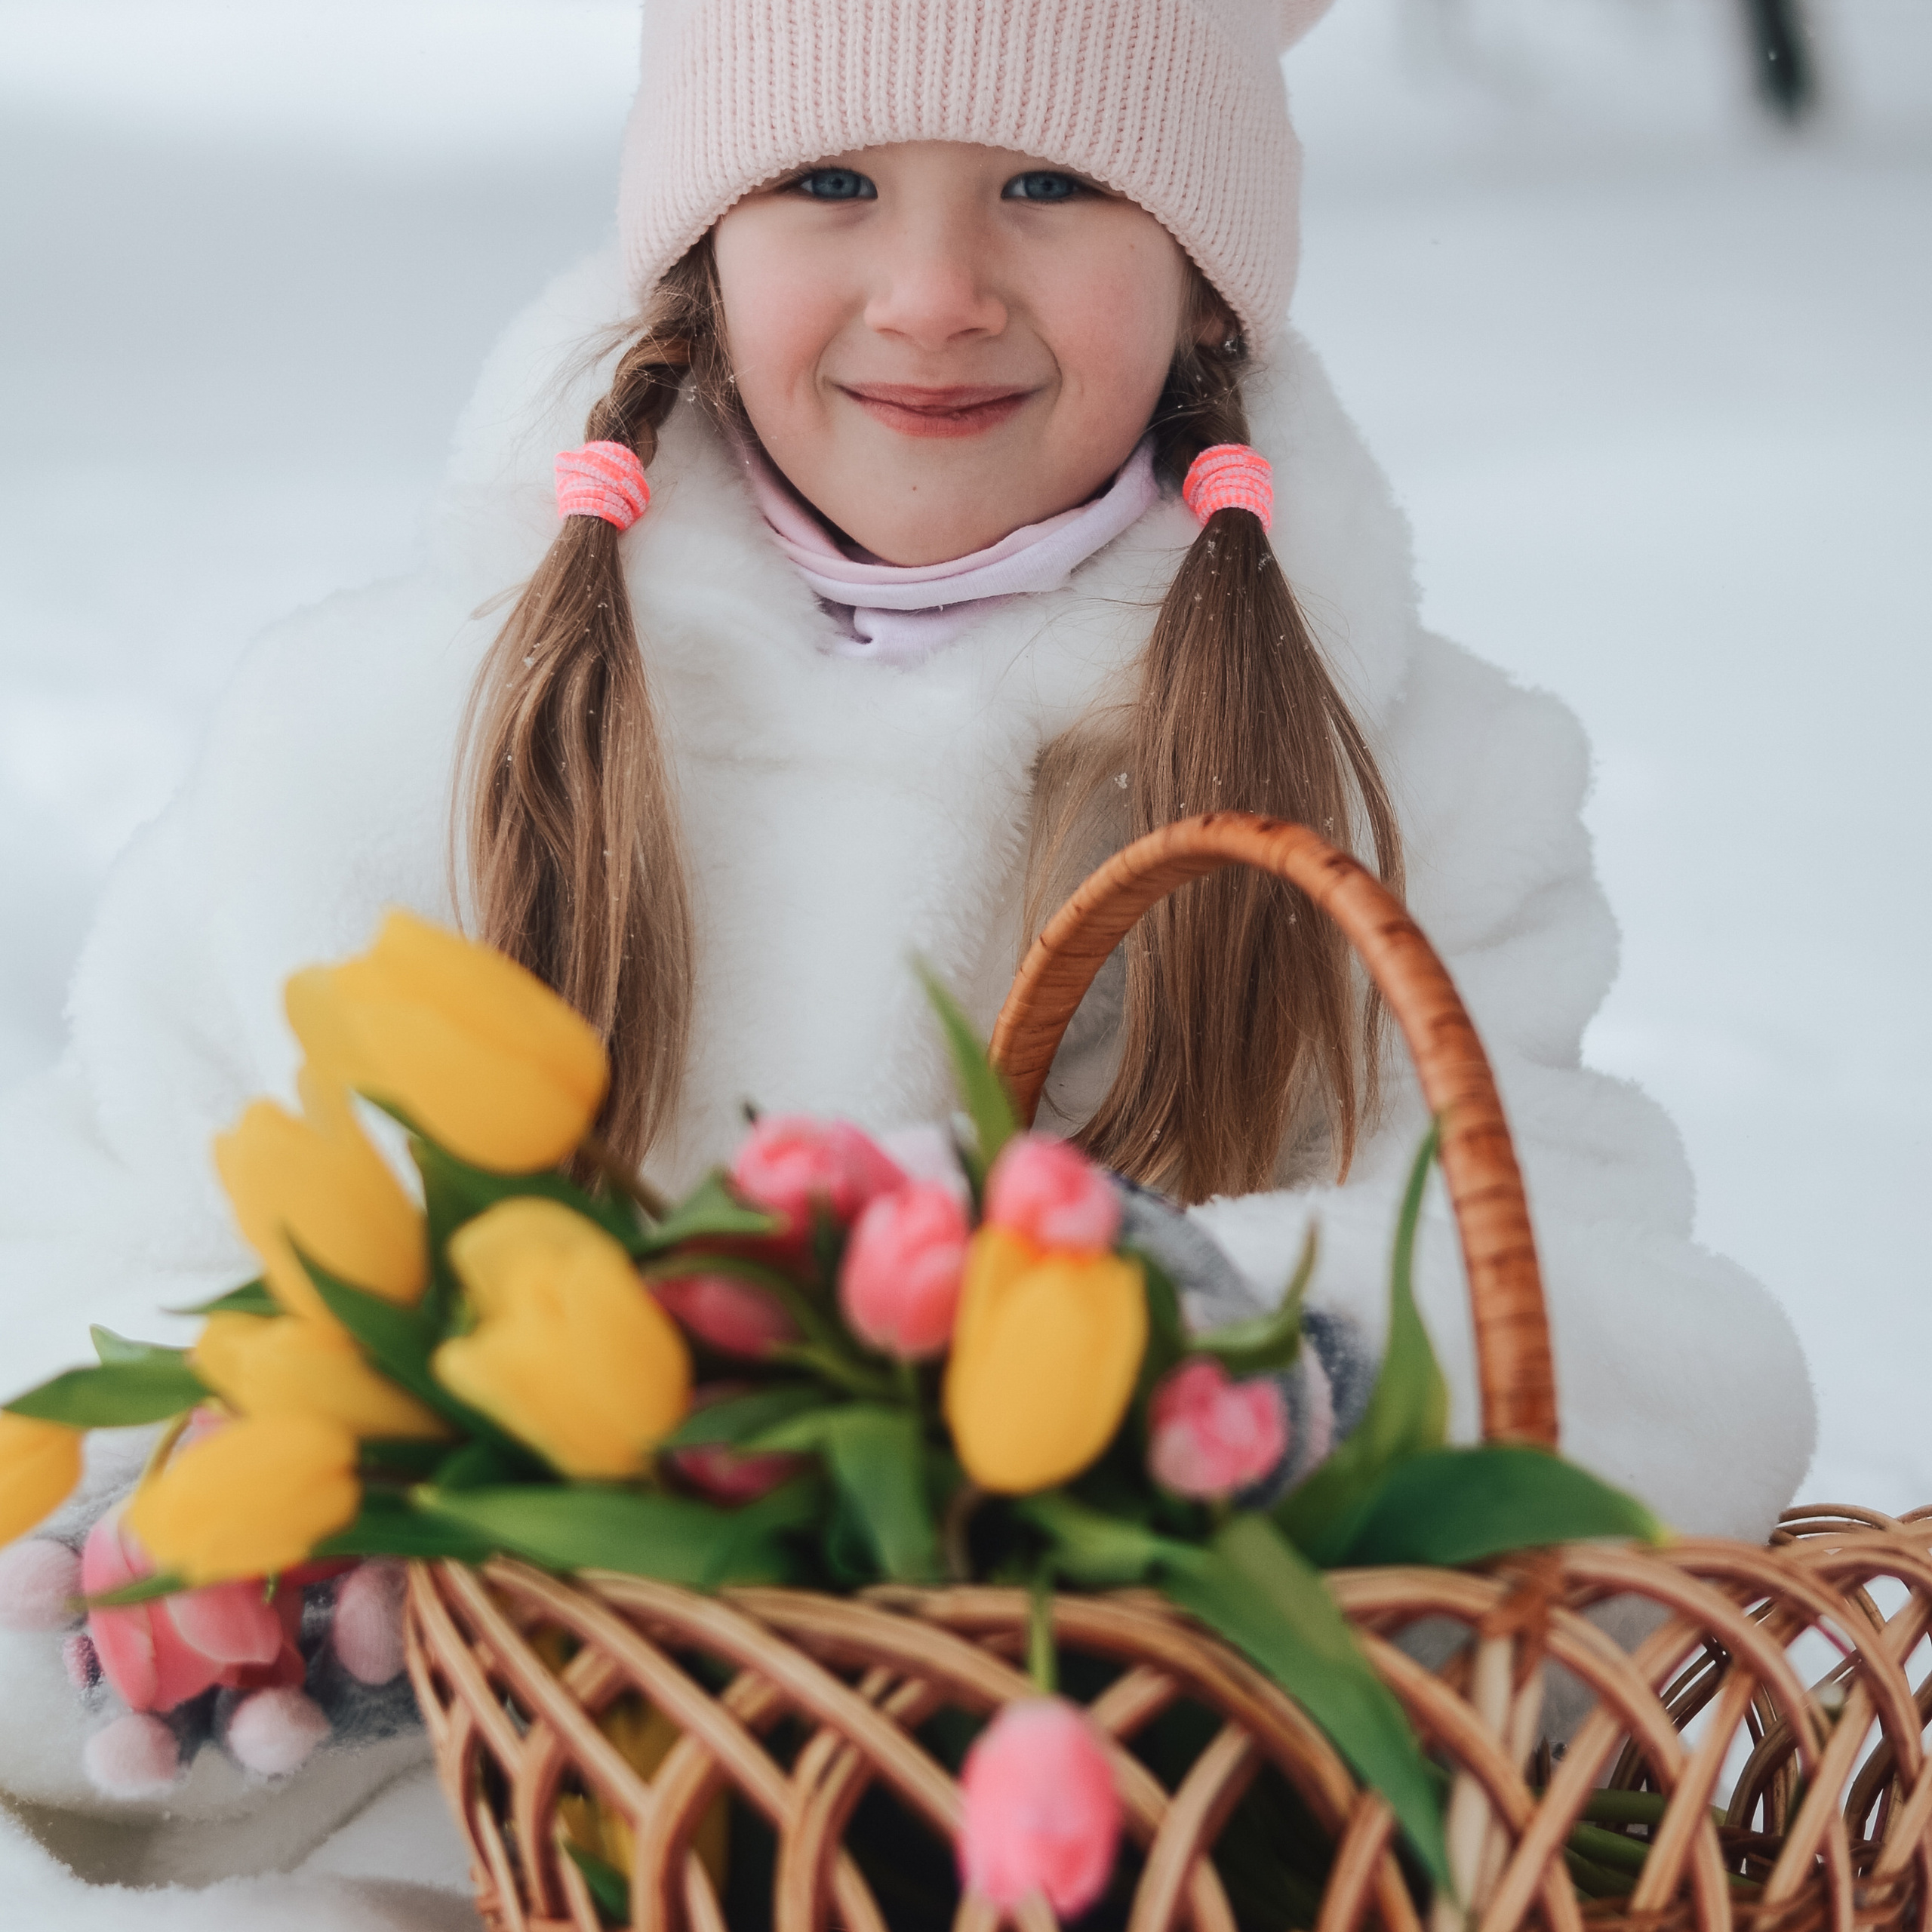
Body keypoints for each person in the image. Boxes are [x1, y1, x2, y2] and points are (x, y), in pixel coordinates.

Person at [0, 0, 1814, 1919]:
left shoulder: (1404, 786)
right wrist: (233, 1555)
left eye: (1048, 180)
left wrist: (1220, 1360)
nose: (933, 292)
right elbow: (87, 1288)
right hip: (493, 1868)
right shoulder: (374, 757)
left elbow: (1634, 1360)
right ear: (702, 248)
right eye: (827, 177)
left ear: (1205, 278)